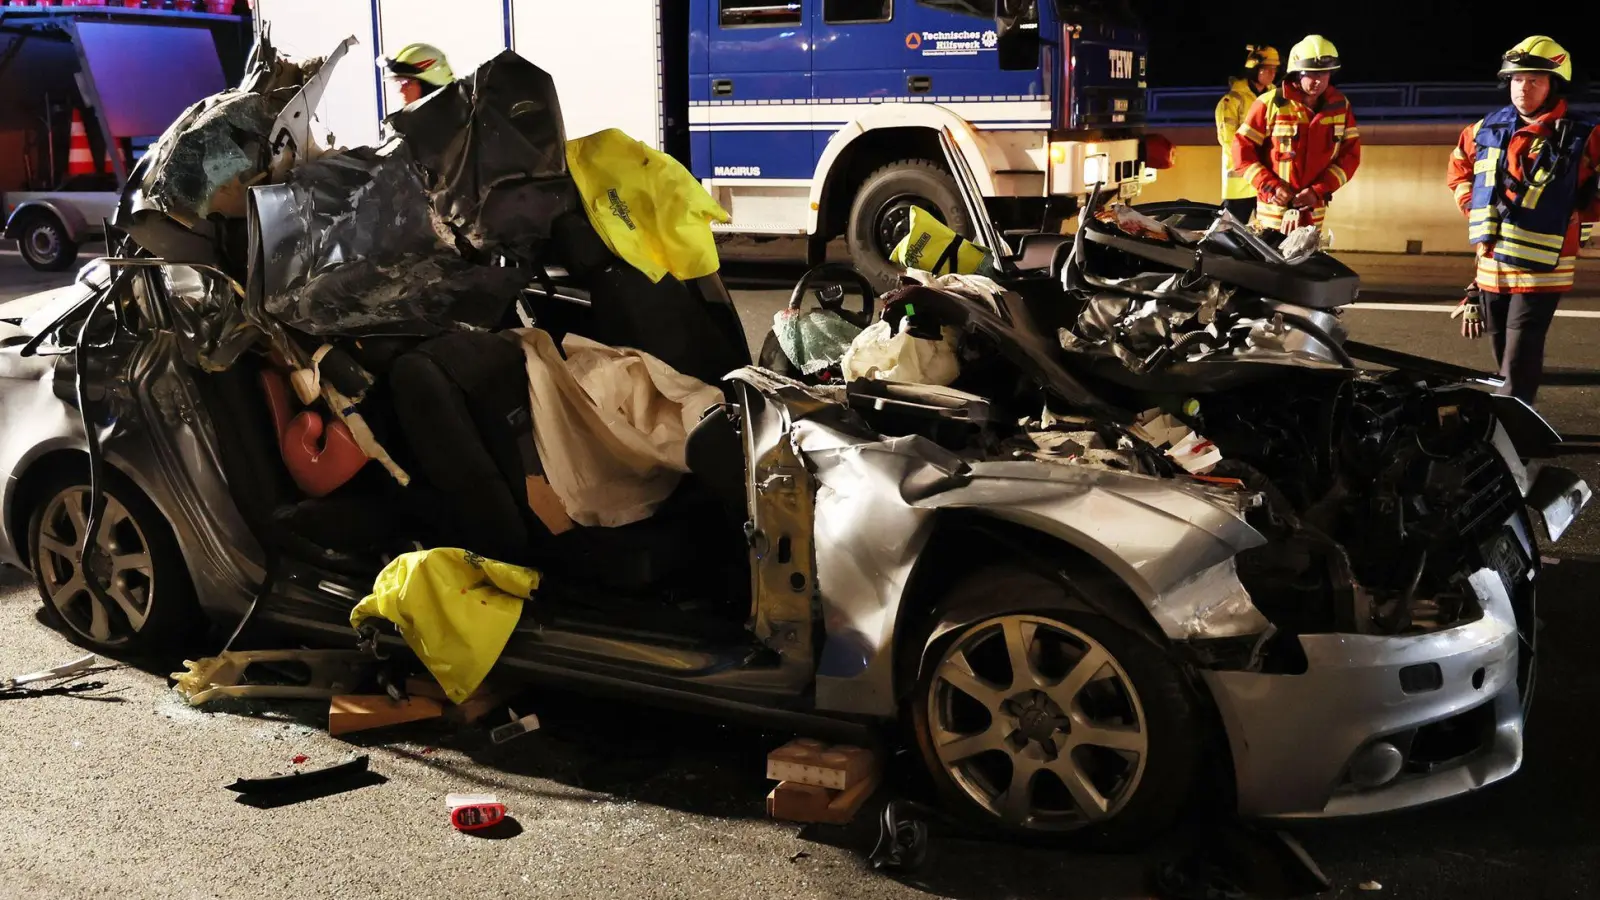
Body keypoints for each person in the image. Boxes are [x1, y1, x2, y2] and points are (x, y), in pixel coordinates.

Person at [1446, 36, 1600, 405]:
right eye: (1517, 79)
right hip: (1491, 265)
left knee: (1521, 347)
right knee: (1501, 346)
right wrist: (1473, 208)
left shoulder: (1585, 133)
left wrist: (1584, 213)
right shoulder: (1483, 128)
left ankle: (1516, 428)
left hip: (1542, 265)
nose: (1523, 88)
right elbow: (1458, 172)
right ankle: (1512, 412)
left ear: (1553, 85)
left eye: (1534, 80)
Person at [1231, 35, 1361, 234]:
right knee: (1268, 263)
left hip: (1312, 214)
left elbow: (1350, 157)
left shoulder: (1340, 107)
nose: (1318, 80)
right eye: (1311, 73)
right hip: (1273, 215)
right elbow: (1242, 152)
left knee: (1306, 263)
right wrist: (1271, 186)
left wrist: (1319, 190)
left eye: (1324, 74)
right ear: (1297, 73)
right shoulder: (1270, 104)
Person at [1215, 44, 1279, 223]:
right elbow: (1228, 141)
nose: (1272, 73)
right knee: (1231, 232)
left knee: (1267, 232)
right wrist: (1251, 163)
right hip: (1240, 182)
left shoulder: (1276, 99)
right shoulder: (1232, 101)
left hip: (1267, 179)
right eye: (1267, 69)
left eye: (1274, 69)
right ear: (1254, 69)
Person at [380, 43, 455, 106]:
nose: (401, 90)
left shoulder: (452, 118)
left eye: (405, 83)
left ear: (428, 84)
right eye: (400, 83)